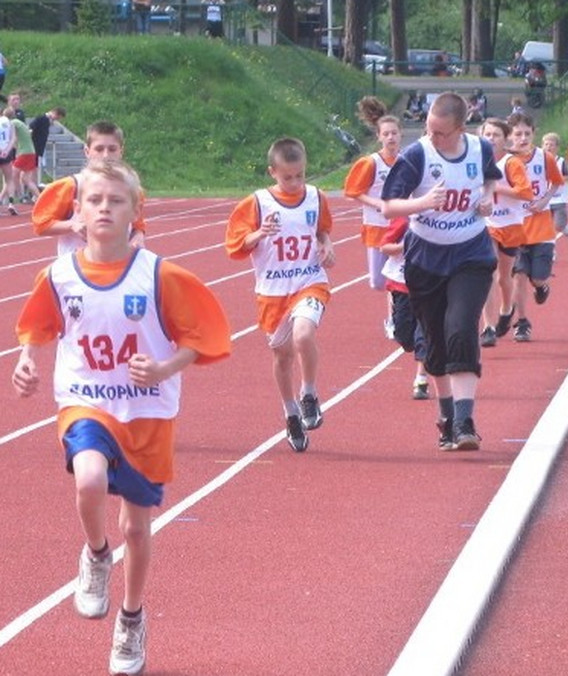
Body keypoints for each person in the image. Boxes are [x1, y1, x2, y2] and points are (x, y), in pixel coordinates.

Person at [11, 160, 232, 676]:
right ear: (78, 215)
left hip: (146, 412)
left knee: (137, 526)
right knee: (87, 476)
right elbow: (37, 326)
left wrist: (162, 367)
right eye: (94, 201)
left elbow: (202, 338)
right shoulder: (59, 275)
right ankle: (94, 553)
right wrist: (27, 361)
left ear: (136, 212)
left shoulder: (160, 274)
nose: (104, 209)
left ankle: (131, 617)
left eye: (115, 201)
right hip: (86, 398)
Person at [380, 92, 502, 451]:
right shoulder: (418, 154)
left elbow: (491, 179)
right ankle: (447, 416)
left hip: (471, 254)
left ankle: (465, 421)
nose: (433, 137)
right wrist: (423, 203)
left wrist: (488, 197)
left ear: (461, 128)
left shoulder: (480, 150)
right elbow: (389, 207)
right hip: (425, 258)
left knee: (461, 326)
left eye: (441, 132)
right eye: (429, 129)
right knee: (432, 340)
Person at [225, 137, 335, 453]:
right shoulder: (257, 203)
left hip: (309, 281)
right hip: (273, 292)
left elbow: (322, 230)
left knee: (303, 335)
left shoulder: (316, 197)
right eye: (288, 177)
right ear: (272, 172)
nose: (295, 182)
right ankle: (290, 413)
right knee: (282, 355)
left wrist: (326, 245)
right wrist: (260, 234)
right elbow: (234, 244)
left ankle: (310, 393)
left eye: (300, 175)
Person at [33, 120, 148, 254]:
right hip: (75, 268)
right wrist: (72, 225)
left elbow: (137, 224)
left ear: (121, 152)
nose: (106, 155)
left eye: (112, 149)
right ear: (87, 151)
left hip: (120, 267)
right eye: (99, 149)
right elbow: (40, 225)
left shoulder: (132, 188)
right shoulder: (70, 186)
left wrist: (139, 236)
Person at [345, 96, 403, 337]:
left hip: (399, 228)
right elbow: (352, 191)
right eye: (386, 133)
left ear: (401, 135)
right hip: (376, 228)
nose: (391, 137)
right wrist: (377, 203)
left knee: (394, 277)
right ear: (379, 136)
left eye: (394, 133)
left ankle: (395, 320)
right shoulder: (370, 163)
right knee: (377, 282)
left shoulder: (408, 161)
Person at [476, 117, 533, 348]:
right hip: (485, 225)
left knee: (503, 278)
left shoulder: (511, 163)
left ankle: (507, 309)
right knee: (487, 272)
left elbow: (526, 192)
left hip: (510, 225)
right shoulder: (475, 160)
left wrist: (496, 186)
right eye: (487, 134)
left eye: (496, 135)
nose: (491, 139)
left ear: (505, 138)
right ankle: (488, 327)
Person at [507, 112, 563, 343]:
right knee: (518, 275)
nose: (522, 138)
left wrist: (544, 199)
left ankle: (541, 286)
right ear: (510, 136)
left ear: (533, 134)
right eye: (517, 134)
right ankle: (522, 322)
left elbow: (557, 181)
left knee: (537, 278)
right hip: (515, 227)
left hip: (541, 228)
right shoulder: (505, 161)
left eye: (526, 134)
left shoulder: (543, 158)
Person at [378, 216, 431, 399]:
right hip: (401, 284)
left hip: (428, 284)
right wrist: (404, 246)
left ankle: (421, 379)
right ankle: (408, 339)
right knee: (405, 337)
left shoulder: (437, 220)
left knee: (423, 334)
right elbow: (384, 246)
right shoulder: (403, 220)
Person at [541, 131, 568, 239]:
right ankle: (550, 247)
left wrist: (558, 179)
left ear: (557, 147)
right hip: (545, 199)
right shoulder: (539, 161)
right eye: (546, 144)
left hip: (559, 198)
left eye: (551, 145)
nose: (548, 147)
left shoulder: (561, 161)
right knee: (546, 227)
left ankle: (564, 227)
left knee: (558, 225)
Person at [6, 107, 38, 204]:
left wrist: (9, 148)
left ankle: (20, 195)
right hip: (30, 152)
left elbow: (14, 138)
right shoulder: (20, 123)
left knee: (12, 174)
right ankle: (40, 197)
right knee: (26, 179)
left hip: (25, 152)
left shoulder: (13, 123)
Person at [29, 106, 65, 184]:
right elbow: (31, 129)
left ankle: (34, 185)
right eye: (58, 118)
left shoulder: (47, 121)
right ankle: (33, 186)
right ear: (55, 113)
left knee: (36, 168)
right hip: (35, 147)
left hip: (39, 148)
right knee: (33, 169)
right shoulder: (41, 119)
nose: (56, 120)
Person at [0, 109, 16, 216]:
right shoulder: (10, 123)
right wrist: (6, 150)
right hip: (6, 152)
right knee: (9, 179)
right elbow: (13, 139)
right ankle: (11, 203)